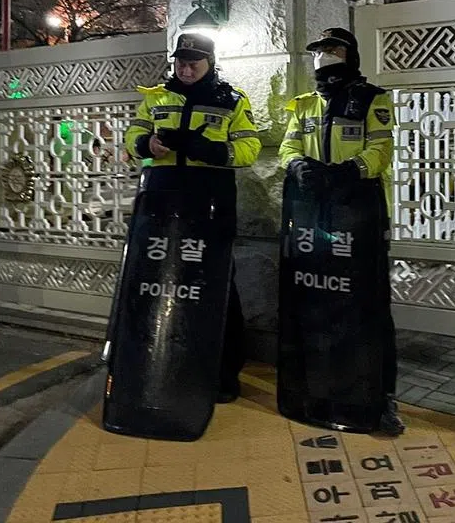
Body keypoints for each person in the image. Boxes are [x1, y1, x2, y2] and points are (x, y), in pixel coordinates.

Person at [277, 27, 404, 436]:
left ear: (349, 55)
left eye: (332, 50)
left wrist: (347, 173)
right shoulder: (304, 104)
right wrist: (298, 167)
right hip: (315, 220)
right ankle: (315, 389)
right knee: (315, 302)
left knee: (367, 308)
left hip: (358, 219)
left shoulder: (372, 99)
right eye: (318, 51)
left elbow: (380, 150)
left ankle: (379, 396)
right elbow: (287, 148)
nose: (323, 57)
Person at [122, 31, 261, 403]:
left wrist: (212, 150)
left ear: (209, 63)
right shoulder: (157, 97)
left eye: (192, 63)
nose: (185, 69)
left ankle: (223, 375)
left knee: (215, 285)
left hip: (209, 203)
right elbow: (134, 134)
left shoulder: (232, 100)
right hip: (163, 201)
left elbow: (249, 148)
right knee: (159, 283)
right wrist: (146, 144)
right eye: (180, 62)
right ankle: (160, 363)